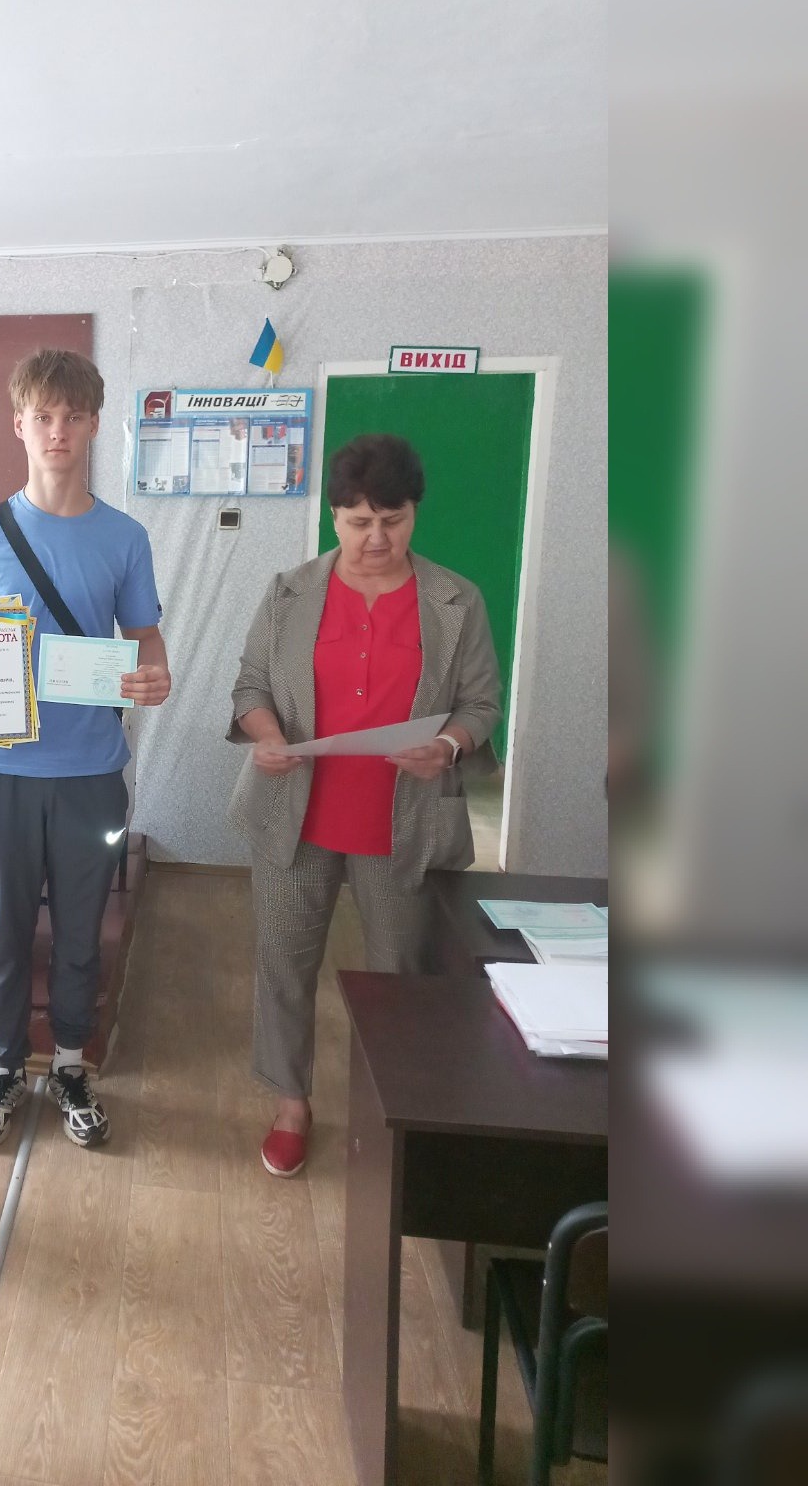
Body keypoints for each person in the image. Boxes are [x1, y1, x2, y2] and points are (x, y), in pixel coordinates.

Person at [0, 349, 170, 1150]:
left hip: (91, 771)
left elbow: (144, 636)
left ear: (93, 424)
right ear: (19, 425)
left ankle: (68, 1064)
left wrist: (155, 674)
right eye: (44, 416)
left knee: (82, 929)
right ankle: (1, 1066)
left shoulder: (124, 537)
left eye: (73, 416)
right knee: (3, 931)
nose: (58, 430)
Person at [227, 432, 501, 1178]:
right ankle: (291, 1104)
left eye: (393, 519)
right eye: (358, 521)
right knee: (284, 964)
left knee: (399, 978)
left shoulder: (455, 601)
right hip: (298, 816)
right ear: (334, 517)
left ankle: (391, 1107)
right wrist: (268, 735)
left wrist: (447, 747)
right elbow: (250, 686)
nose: (376, 538)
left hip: (403, 820)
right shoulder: (289, 593)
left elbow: (481, 704)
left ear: (415, 513)